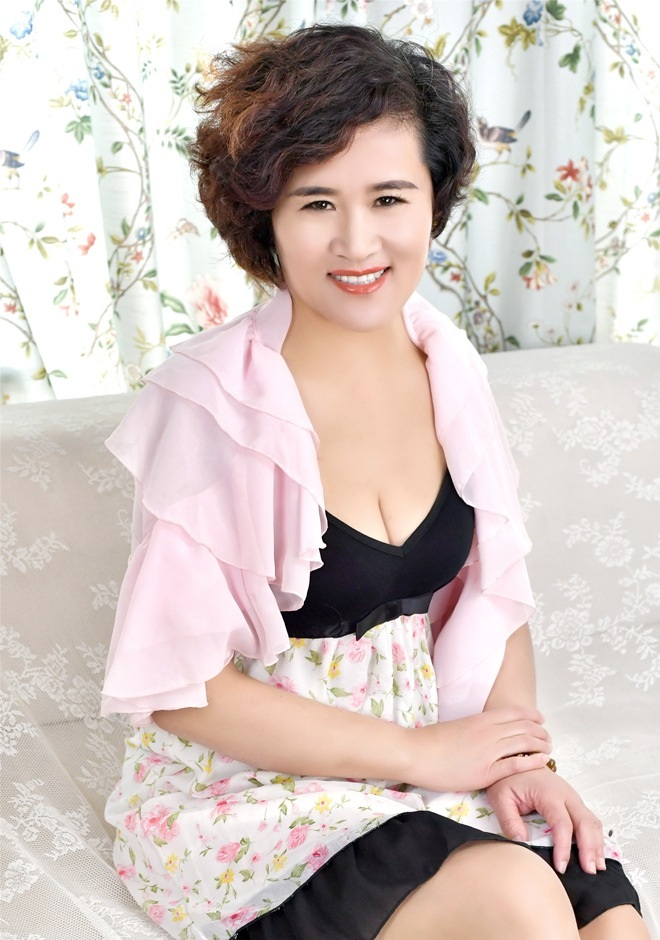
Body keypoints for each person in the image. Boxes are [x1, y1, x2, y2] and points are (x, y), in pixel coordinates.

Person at [101, 23, 648, 940]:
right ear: (265, 219)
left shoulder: (449, 367)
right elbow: (179, 687)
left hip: (429, 756)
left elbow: (492, 598)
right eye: (316, 202)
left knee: (608, 915)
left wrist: (517, 759)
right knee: (518, 900)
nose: (357, 242)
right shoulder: (212, 401)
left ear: (433, 201)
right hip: (257, 786)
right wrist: (420, 756)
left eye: (389, 197)